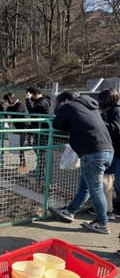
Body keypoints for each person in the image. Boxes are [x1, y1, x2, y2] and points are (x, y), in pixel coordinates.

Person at [49, 91, 114, 234]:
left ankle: (103, 223)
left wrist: (61, 111)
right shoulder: (91, 106)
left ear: (65, 101)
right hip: (107, 150)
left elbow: (57, 124)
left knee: (95, 190)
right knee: (86, 187)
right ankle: (70, 211)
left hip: (93, 153)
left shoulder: (70, 106)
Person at [87, 88, 120, 219]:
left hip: (116, 149)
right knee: (110, 179)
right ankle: (109, 206)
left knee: (114, 181)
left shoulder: (116, 110)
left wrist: (100, 123)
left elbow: (116, 128)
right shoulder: (111, 110)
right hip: (114, 149)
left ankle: (111, 208)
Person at [25, 87, 52, 176]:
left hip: (42, 131)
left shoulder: (42, 102)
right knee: (38, 150)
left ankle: (41, 171)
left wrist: (28, 100)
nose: (30, 97)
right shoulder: (40, 101)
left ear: (35, 93)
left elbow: (32, 111)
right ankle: (39, 170)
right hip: (38, 130)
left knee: (40, 151)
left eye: (30, 94)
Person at [3, 92, 28, 171]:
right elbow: (6, 114)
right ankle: (22, 163)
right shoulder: (10, 106)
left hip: (23, 128)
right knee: (18, 146)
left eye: (6, 101)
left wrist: (9, 113)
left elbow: (17, 114)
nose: (5, 102)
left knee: (21, 147)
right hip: (16, 128)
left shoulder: (20, 105)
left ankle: (23, 164)